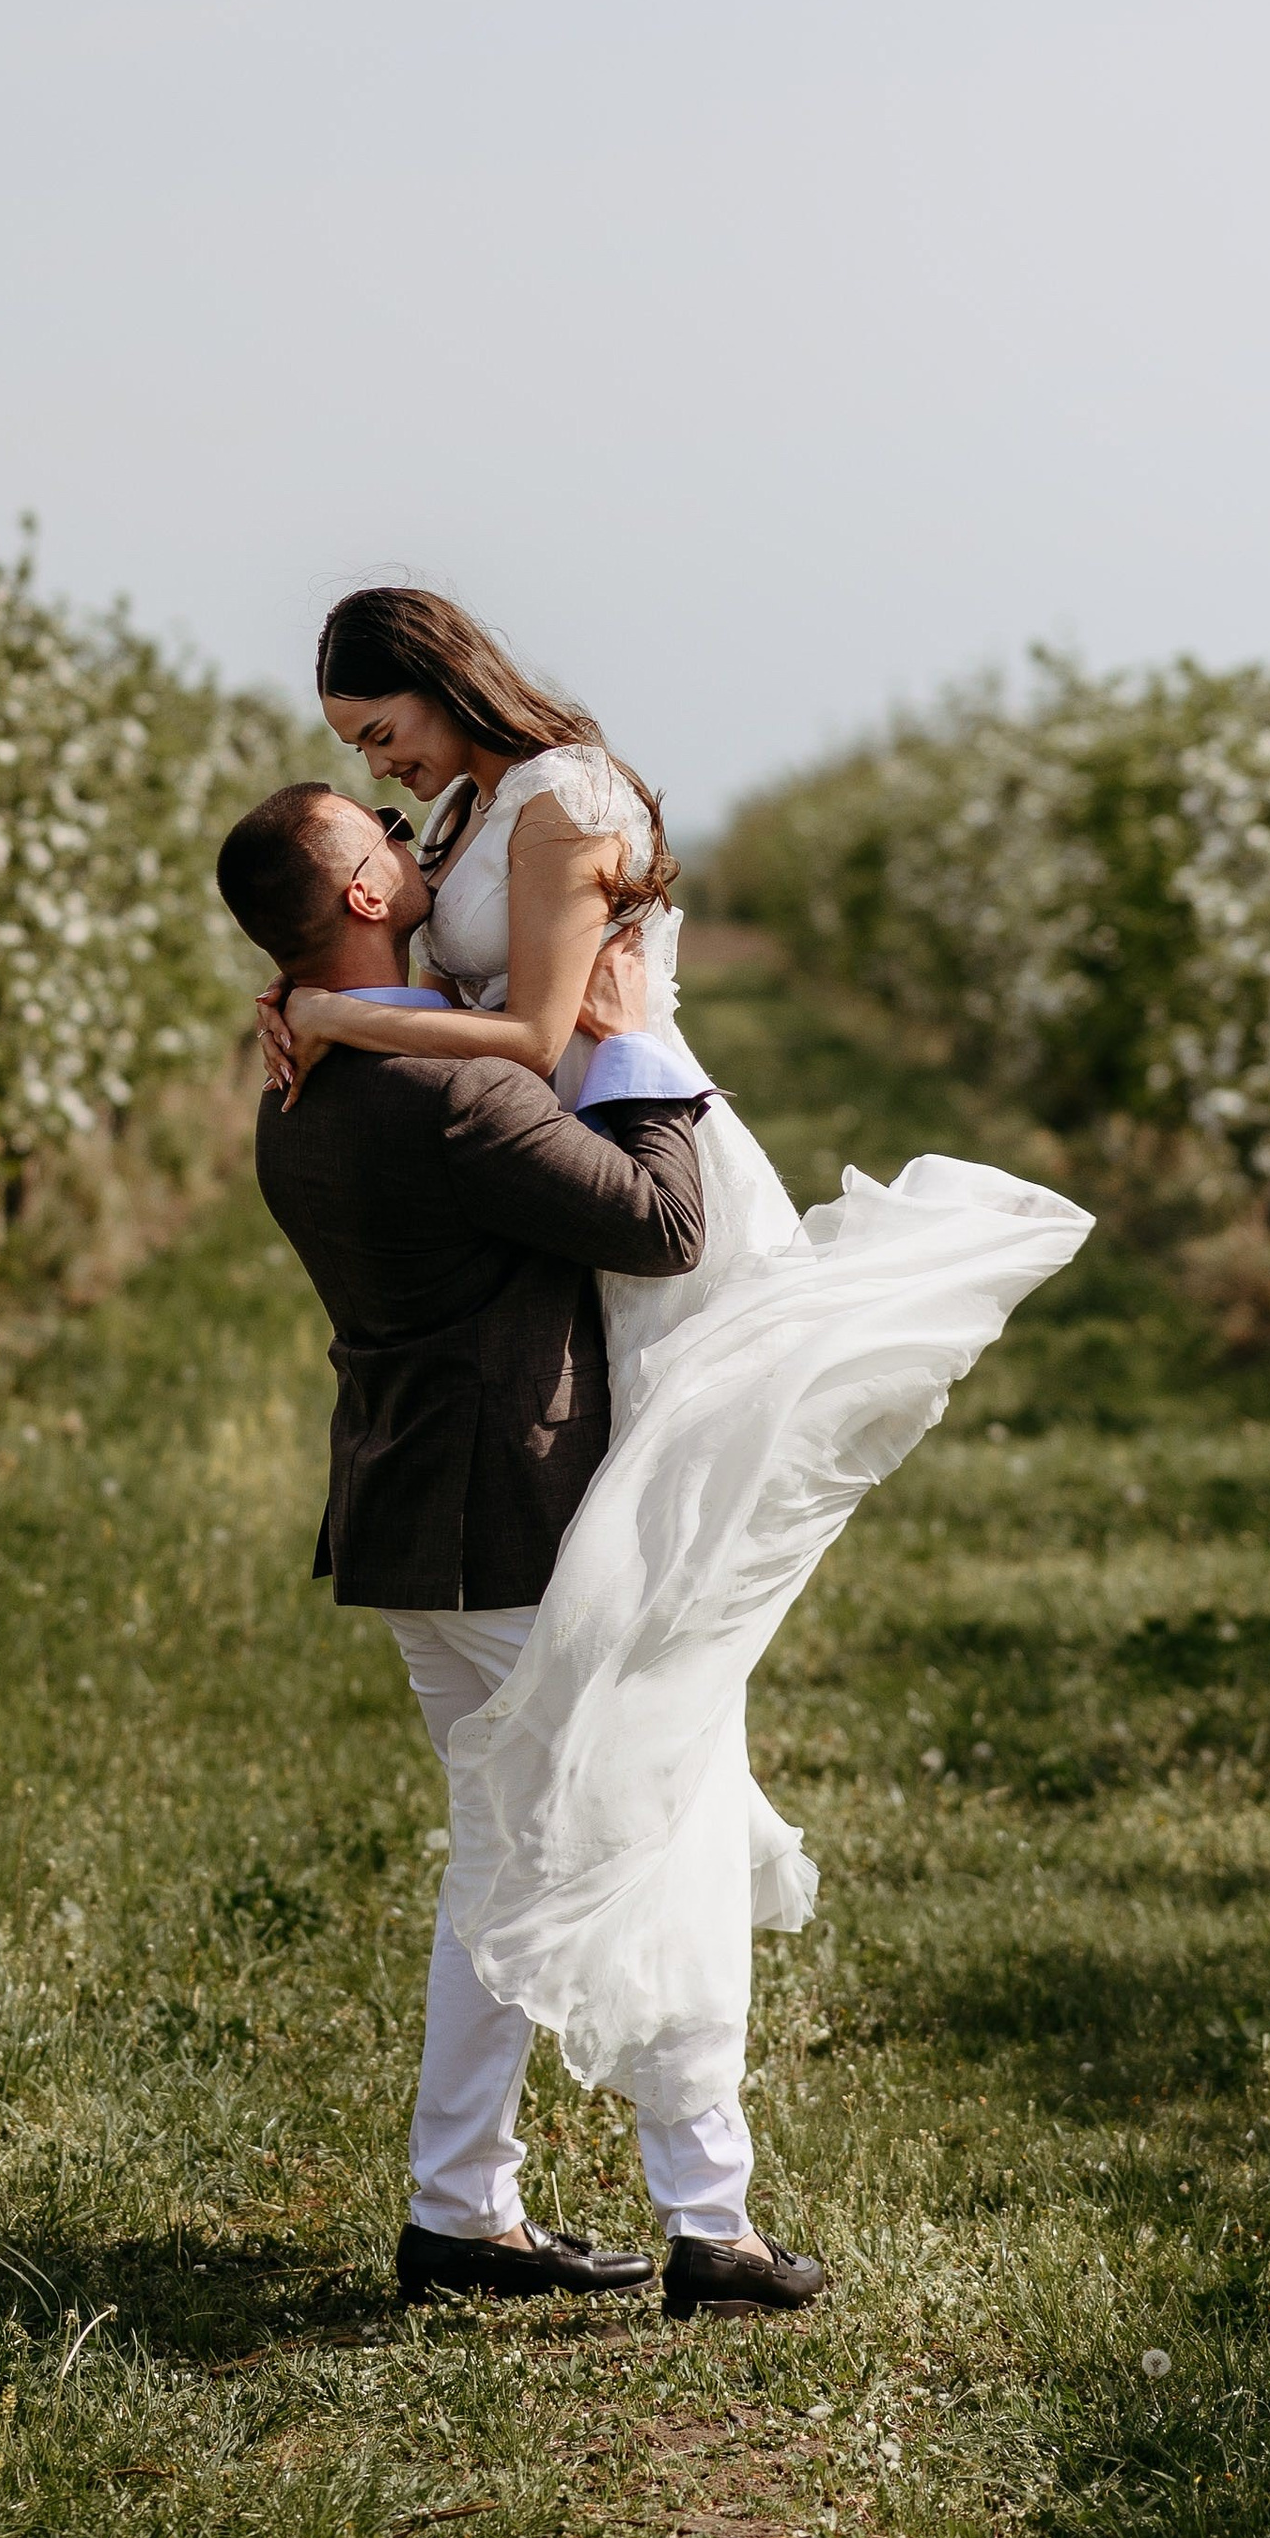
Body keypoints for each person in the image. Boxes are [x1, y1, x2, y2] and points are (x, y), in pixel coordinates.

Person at [255, 591, 1091, 2178]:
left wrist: (335, 1009)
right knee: (621, 1743)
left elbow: (541, 1028)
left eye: (385, 730)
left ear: (440, 681)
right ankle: (668, 2197)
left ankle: (590, 2185)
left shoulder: (565, 800)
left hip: (636, 1163)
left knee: (645, 1690)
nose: (386, 766)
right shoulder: (465, 810)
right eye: (361, 757)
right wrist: (336, 997)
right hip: (549, 1185)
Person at [216, 774, 814, 2317]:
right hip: (515, 1525)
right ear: (358, 895)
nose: (404, 838)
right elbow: (662, 1222)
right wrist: (634, 1034)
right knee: (650, 1838)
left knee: (500, 1865)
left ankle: (458, 2209)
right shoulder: (453, 1092)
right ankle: (713, 2225)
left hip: (409, 1521)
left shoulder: (298, 1081)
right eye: (374, 831)